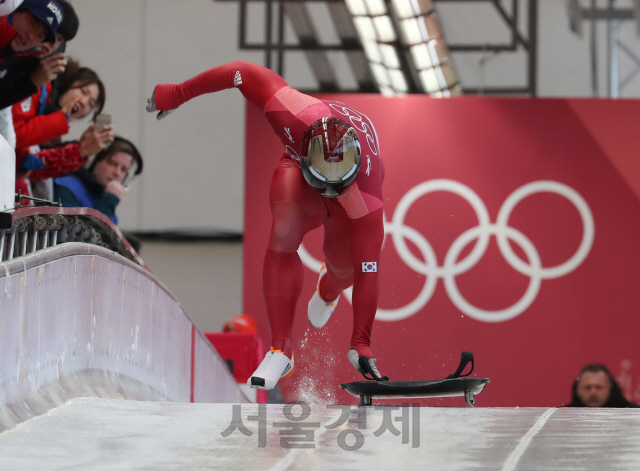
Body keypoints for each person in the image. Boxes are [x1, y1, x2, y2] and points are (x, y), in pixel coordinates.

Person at [146, 60, 386, 391]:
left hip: (350, 198)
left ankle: (328, 291)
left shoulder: (366, 201)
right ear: (306, 149)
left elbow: (369, 270)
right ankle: (280, 348)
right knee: (284, 233)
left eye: (335, 187)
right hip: (298, 170)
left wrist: (361, 343)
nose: (326, 193)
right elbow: (237, 71)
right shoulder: (289, 110)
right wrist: (177, 93)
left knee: (346, 270)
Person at [53, 136, 143, 224]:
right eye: (112, 163)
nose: (117, 173)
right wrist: (109, 201)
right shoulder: (66, 188)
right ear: (94, 161)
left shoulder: (102, 196)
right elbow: (76, 236)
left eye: (123, 170)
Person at [565, 363, 639, 408]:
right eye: (587, 387)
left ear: (610, 388)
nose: (593, 392)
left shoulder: (635, 415)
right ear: (578, 389)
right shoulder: (561, 417)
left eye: (599, 387)